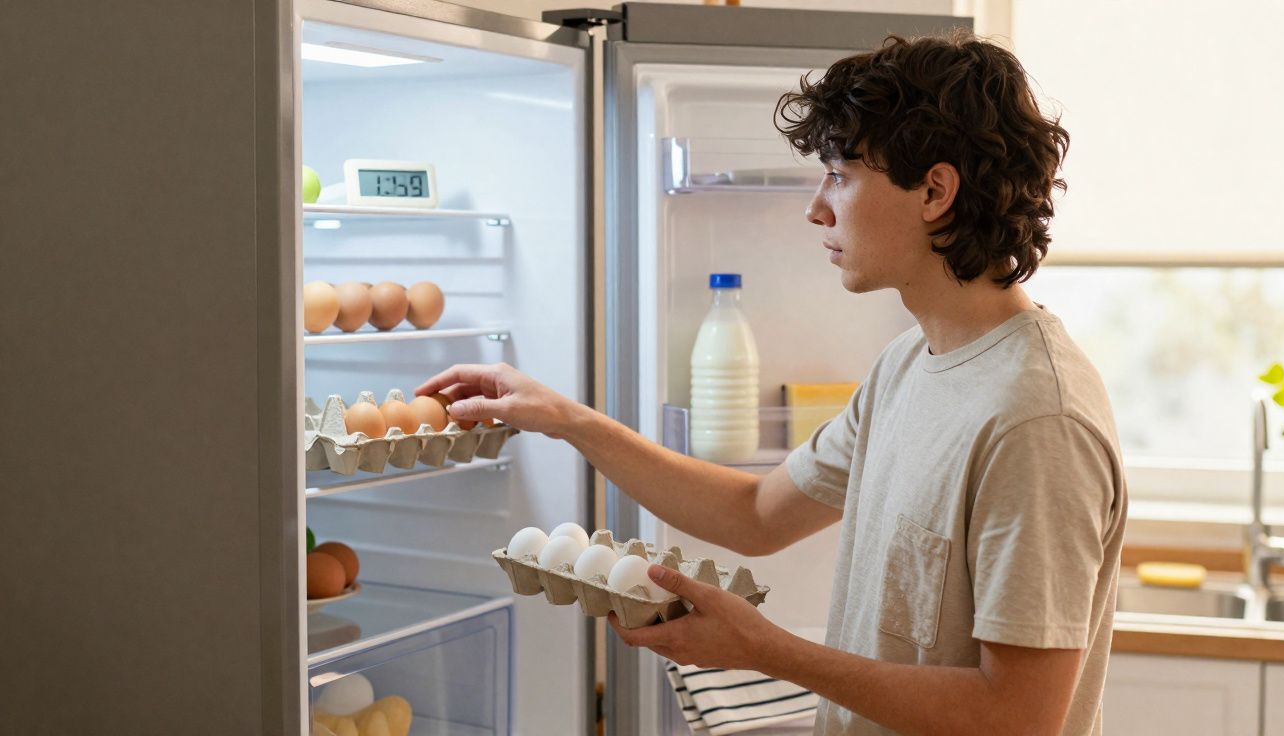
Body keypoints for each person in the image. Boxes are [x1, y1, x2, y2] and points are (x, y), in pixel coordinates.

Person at [416, 30, 1125, 736]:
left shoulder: (1037, 421)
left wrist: (764, 651)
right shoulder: (910, 365)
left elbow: (1017, 718)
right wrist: (568, 419)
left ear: (935, 191)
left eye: (841, 176)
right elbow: (758, 513)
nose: (816, 208)